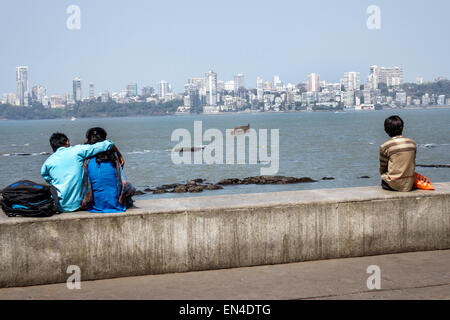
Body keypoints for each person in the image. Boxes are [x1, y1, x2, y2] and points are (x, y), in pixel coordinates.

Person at [41, 132, 115, 212]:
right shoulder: (77, 150)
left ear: (52, 148)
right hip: (77, 205)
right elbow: (106, 144)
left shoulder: (48, 162)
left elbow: (46, 176)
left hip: (58, 205)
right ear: (67, 142)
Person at [82, 127, 133, 213]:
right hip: (115, 204)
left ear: (88, 139)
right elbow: (121, 177)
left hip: (97, 204)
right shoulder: (113, 156)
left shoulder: (86, 158)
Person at [379, 116, 417, 192]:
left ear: (386, 130)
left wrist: (384, 175)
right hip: (410, 184)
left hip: (394, 184)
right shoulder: (412, 143)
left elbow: (383, 167)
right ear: (402, 128)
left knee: (383, 179)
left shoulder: (385, 146)